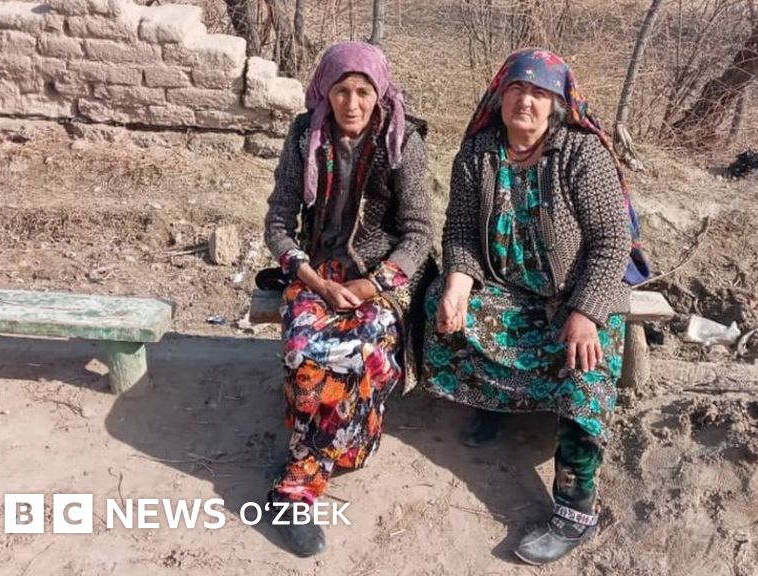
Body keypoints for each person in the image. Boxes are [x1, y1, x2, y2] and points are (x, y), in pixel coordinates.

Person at [423, 48, 634, 565]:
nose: (526, 101)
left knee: (585, 373)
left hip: (577, 294)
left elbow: (612, 241)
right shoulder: (478, 153)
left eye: (540, 93)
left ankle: (575, 509)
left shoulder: (581, 154)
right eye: (517, 89)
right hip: (508, 291)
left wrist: (586, 312)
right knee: (439, 310)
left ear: (556, 105)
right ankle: (498, 404)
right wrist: (458, 283)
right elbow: (460, 231)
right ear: (499, 97)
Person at [263, 41, 432, 557]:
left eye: (362, 91)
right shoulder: (304, 135)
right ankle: (301, 479)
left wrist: (370, 286)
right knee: (304, 351)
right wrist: (313, 280)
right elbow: (278, 222)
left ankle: (316, 464)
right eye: (341, 90)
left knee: (364, 349)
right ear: (325, 92)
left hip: (379, 276)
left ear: (379, 93)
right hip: (318, 272)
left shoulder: (401, 139)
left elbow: (419, 233)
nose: (351, 103)